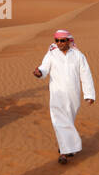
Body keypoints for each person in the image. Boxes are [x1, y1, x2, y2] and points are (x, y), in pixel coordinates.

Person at [33, 30, 95, 164]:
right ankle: (64, 152)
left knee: (68, 121)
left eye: (62, 40)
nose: (59, 43)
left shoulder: (78, 55)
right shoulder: (51, 55)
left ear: (68, 41)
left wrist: (89, 94)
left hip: (73, 94)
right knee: (59, 121)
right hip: (57, 94)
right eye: (57, 40)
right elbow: (44, 68)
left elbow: (86, 75)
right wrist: (39, 73)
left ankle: (69, 148)